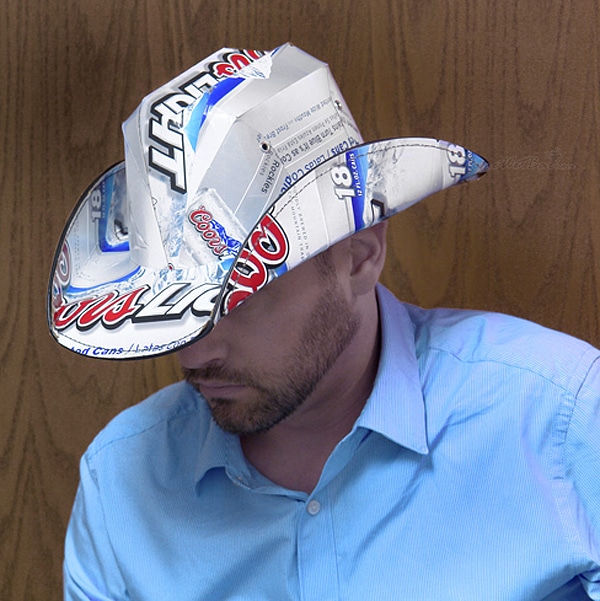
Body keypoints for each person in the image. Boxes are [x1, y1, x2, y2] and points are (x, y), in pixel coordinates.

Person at [49, 44, 600, 600]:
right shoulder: (122, 482)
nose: (192, 354)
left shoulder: (560, 421)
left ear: (360, 254)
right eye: (169, 313)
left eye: (234, 301)